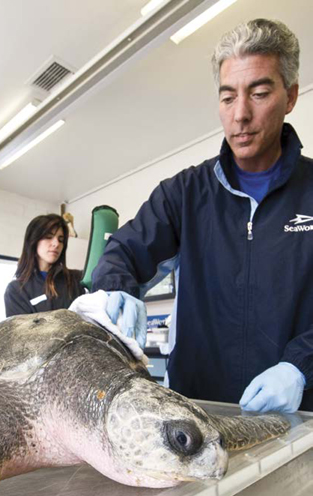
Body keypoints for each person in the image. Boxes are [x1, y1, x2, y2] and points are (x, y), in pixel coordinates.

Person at [74, 19, 313, 412]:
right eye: (227, 97)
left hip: (295, 414)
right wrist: (116, 287)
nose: (240, 115)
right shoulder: (184, 194)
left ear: (290, 97)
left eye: (259, 93)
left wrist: (300, 368)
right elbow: (123, 251)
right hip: (198, 415)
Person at [5, 214, 85, 317]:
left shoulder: (77, 279)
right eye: (49, 237)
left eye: (60, 239)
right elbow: (20, 331)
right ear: (33, 241)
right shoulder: (16, 290)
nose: (56, 244)